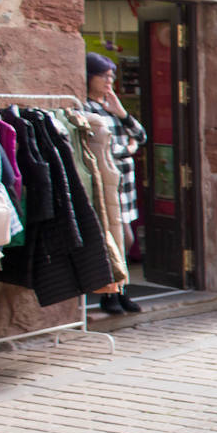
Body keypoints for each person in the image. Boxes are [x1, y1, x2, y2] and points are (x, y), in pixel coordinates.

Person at [83, 52, 146, 315]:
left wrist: (121, 113)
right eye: (104, 76)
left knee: (125, 239)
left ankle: (120, 292)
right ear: (90, 77)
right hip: (108, 185)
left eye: (112, 76)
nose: (109, 81)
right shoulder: (85, 108)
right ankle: (111, 295)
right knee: (116, 240)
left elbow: (140, 136)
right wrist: (127, 149)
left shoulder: (110, 106)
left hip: (124, 186)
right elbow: (100, 147)